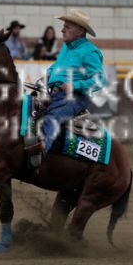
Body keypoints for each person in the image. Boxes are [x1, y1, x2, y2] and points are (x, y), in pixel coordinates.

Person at [28, 9, 105, 161]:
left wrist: (74, 85)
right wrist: (47, 76)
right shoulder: (66, 47)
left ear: (80, 30)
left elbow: (100, 80)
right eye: (63, 26)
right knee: (27, 105)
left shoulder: (90, 52)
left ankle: (40, 154)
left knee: (52, 117)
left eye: (67, 27)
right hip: (55, 94)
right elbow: (55, 67)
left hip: (76, 98)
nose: (62, 30)